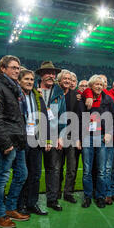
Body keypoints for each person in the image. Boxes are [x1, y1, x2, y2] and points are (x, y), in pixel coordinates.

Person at [0, 55, 30, 228]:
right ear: (3, 69)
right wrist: (5, 142)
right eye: (13, 67)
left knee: (22, 174)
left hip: (18, 139)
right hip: (6, 141)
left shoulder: (15, 88)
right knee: (2, 176)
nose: (16, 70)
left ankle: (11, 208)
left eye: (18, 68)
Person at [79, 75, 114, 208]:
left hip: (101, 137)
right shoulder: (84, 98)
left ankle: (100, 196)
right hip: (87, 137)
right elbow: (79, 119)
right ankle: (87, 196)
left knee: (101, 170)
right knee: (87, 170)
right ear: (91, 86)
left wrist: (109, 133)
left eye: (101, 85)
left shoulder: (108, 99)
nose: (99, 87)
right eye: (96, 84)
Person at [17, 69, 51, 216]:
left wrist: (47, 139)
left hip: (36, 139)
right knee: (22, 174)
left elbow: (45, 118)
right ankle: (20, 204)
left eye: (31, 79)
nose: (30, 82)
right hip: (22, 139)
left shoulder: (37, 96)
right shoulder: (16, 95)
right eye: (26, 79)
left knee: (36, 174)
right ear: (19, 81)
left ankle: (32, 203)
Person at [35, 61, 67, 211]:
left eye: (53, 73)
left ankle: (52, 200)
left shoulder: (59, 93)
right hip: (34, 136)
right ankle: (31, 201)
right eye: (47, 72)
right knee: (33, 170)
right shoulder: (32, 89)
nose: (51, 76)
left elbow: (63, 117)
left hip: (53, 136)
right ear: (41, 74)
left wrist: (61, 136)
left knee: (53, 169)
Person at [57, 69, 82, 204]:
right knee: (58, 167)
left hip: (72, 136)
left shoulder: (76, 96)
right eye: (65, 79)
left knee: (72, 168)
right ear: (59, 81)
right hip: (58, 137)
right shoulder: (55, 93)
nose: (67, 81)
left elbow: (77, 118)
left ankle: (68, 192)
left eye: (69, 79)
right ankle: (56, 192)